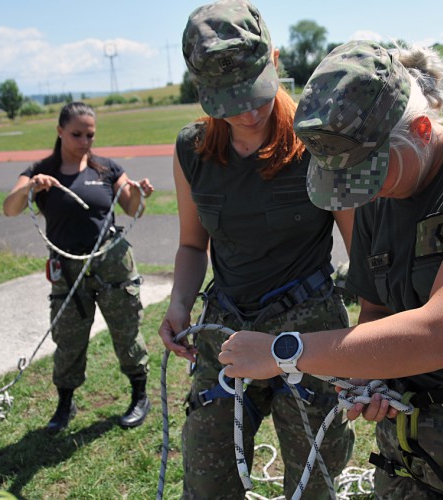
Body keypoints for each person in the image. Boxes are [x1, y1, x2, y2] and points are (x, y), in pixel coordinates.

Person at [219, 41, 443, 499]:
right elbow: (377, 311)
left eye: (372, 173)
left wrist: (284, 351)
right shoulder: (376, 199)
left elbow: (442, 335)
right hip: (405, 449)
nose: (362, 193)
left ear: (422, 129)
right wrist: (373, 377)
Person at [157, 0, 355, 497]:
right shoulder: (192, 149)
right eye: (229, 99)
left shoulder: (317, 141)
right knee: (206, 478)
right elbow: (190, 243)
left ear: (275, 58)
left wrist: (366, 345)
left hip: (306, 331)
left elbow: (362, 248)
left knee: (313, 483)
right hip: (225, 329)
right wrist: (180, 302)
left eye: (256, 92)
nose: (248, 111)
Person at [2, 102, 154, 435]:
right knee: (68, 338)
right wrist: (31, 188)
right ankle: (65, 402)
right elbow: (10, 208)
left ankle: (140, 395)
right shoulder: (40, 171)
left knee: (126, 332)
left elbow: (132, 209)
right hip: (68, 270)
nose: (85, 141)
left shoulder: (107, 169)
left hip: (112, 264)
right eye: (76, 134)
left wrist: (140, 194)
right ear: (59, 132)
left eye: (90, 135)